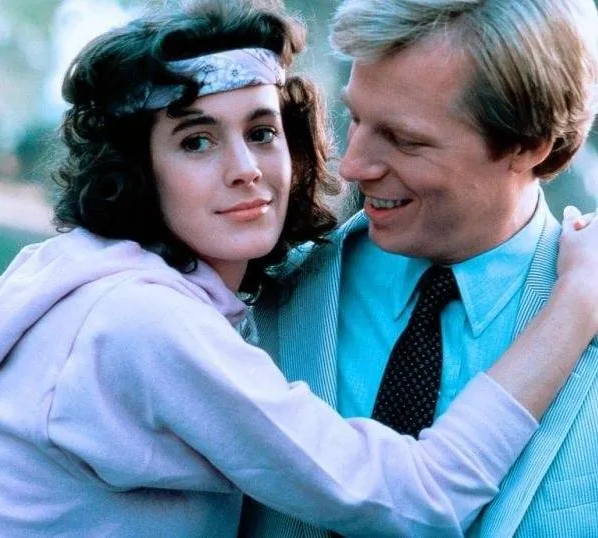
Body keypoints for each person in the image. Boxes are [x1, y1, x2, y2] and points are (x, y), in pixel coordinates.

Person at [0, 0, 595, 536]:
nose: (352, 166)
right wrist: (577, 305)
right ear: (137, 167)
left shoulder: (159, 285)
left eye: (263, 132)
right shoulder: (156, 316)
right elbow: (413, 500)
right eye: (196, 141)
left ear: (528, 145)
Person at [240, 0, 598, 536]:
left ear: (528, 146)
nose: (353, 167)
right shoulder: (253, 296)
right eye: (356, 118)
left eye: (405, 140)